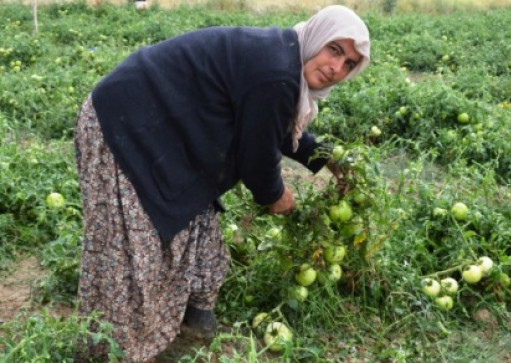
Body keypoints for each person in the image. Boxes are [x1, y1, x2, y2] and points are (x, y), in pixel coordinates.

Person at [73, 4, 370, 362]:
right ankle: (108, 350)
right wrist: (276, 196)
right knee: (134, 250)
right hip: (124, 125)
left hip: (164, 128)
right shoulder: (278, 72)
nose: (336, 67)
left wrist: (330, 157)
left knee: (196, 219)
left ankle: (193, 314)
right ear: (317, 38)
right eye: (334, 50)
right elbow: (257, 158)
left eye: (349, 63)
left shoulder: (283, 62)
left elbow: (270, 125)